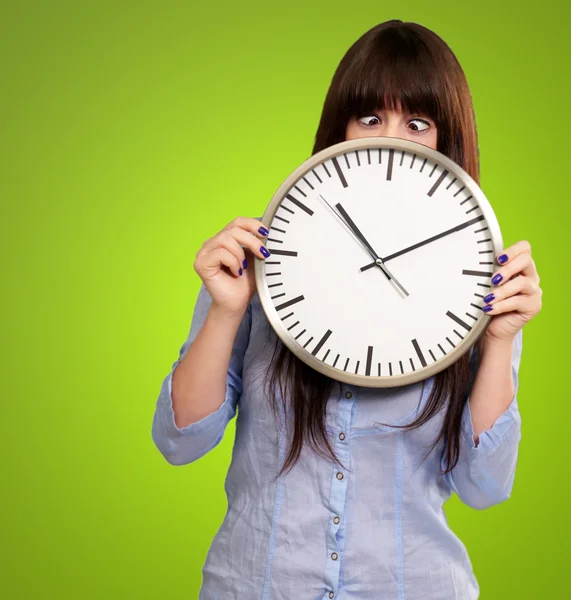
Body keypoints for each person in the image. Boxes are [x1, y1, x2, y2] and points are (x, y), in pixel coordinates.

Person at [151, 19, 542, 600]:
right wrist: (227, 309)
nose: (390, 137)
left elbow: (483, 486)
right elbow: (179, 442)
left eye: (417, 123)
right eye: (370, 117)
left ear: (447, 140)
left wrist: (502, 337)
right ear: (339, 128)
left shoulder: (476, 285)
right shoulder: (265, 258)